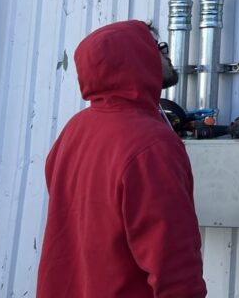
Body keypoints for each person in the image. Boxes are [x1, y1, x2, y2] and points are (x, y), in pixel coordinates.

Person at [37, 20, 207, 298]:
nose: (165, 53)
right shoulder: (152, 144)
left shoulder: (74, 130)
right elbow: (175, 267)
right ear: (135, 55)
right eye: (157, 46)